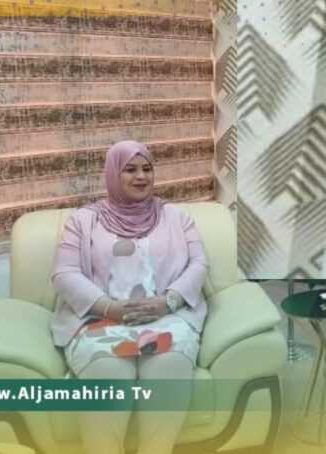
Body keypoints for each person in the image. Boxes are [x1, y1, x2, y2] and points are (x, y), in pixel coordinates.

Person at [50, 140, 208, 454]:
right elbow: (64, 273)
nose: (141, 177)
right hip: (100, 319)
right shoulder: (83, 221)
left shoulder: (177, 217)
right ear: (113, 173)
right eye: (130, 169)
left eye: (147, 169)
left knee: (169, 365)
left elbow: (199, 264)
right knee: (108, 372)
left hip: (165, 316)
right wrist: (111, 308)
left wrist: (167, 301)